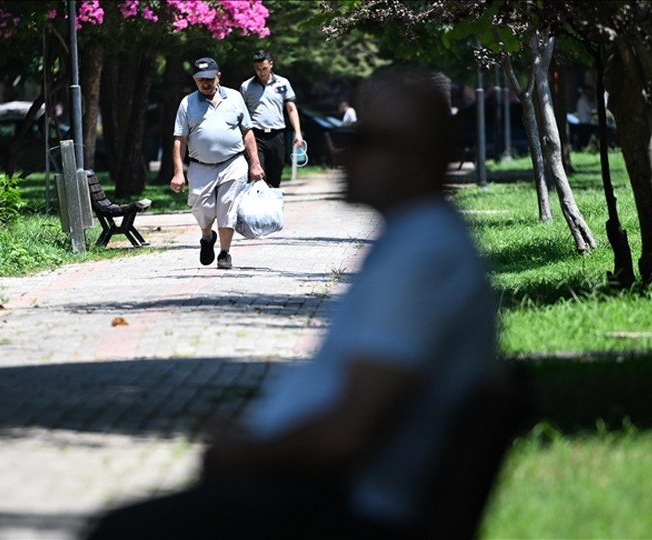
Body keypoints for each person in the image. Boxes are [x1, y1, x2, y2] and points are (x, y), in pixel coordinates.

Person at [86, 68, 504, 539]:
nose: (343, 151)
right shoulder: (411, 239)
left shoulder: (423, 257)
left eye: (364, 139)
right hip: (317, 486)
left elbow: (351, 429)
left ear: (418, 158)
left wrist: (248, 453)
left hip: (344, 503)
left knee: (125, 530)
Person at [169, 57, 264, 270]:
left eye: (209, 78)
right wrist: (178, 172)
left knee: (227, 208)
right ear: (194, 80)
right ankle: (206, 236)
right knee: (202, 208)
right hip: (200, 165)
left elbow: (247, 132)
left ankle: (225, 253)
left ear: (218, 76)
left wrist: (254, 163)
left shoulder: (235, 97)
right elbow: (180, 140)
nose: (206, 83)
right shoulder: (187, 103)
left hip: (233, 162)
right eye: (200, 79)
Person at [239, 49, 304, 188]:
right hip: (255, 134)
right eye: (258, 69)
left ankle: (273, 204)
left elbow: (291, 108)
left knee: (276, 173)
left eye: (264, 68)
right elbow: (241, 112)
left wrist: (297, 132)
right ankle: (257, 206)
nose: (261, 72)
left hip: (277, 134)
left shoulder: (283, 83)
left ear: (271, 65)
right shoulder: (246, 86)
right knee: (257, 172)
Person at [574, 84, 594, 149]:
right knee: (584, 136)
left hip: (584, 120)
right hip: (585, 121)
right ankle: (581, 148)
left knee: (583, 136)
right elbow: (590, 109)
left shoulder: (583, 99)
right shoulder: (584, 100)